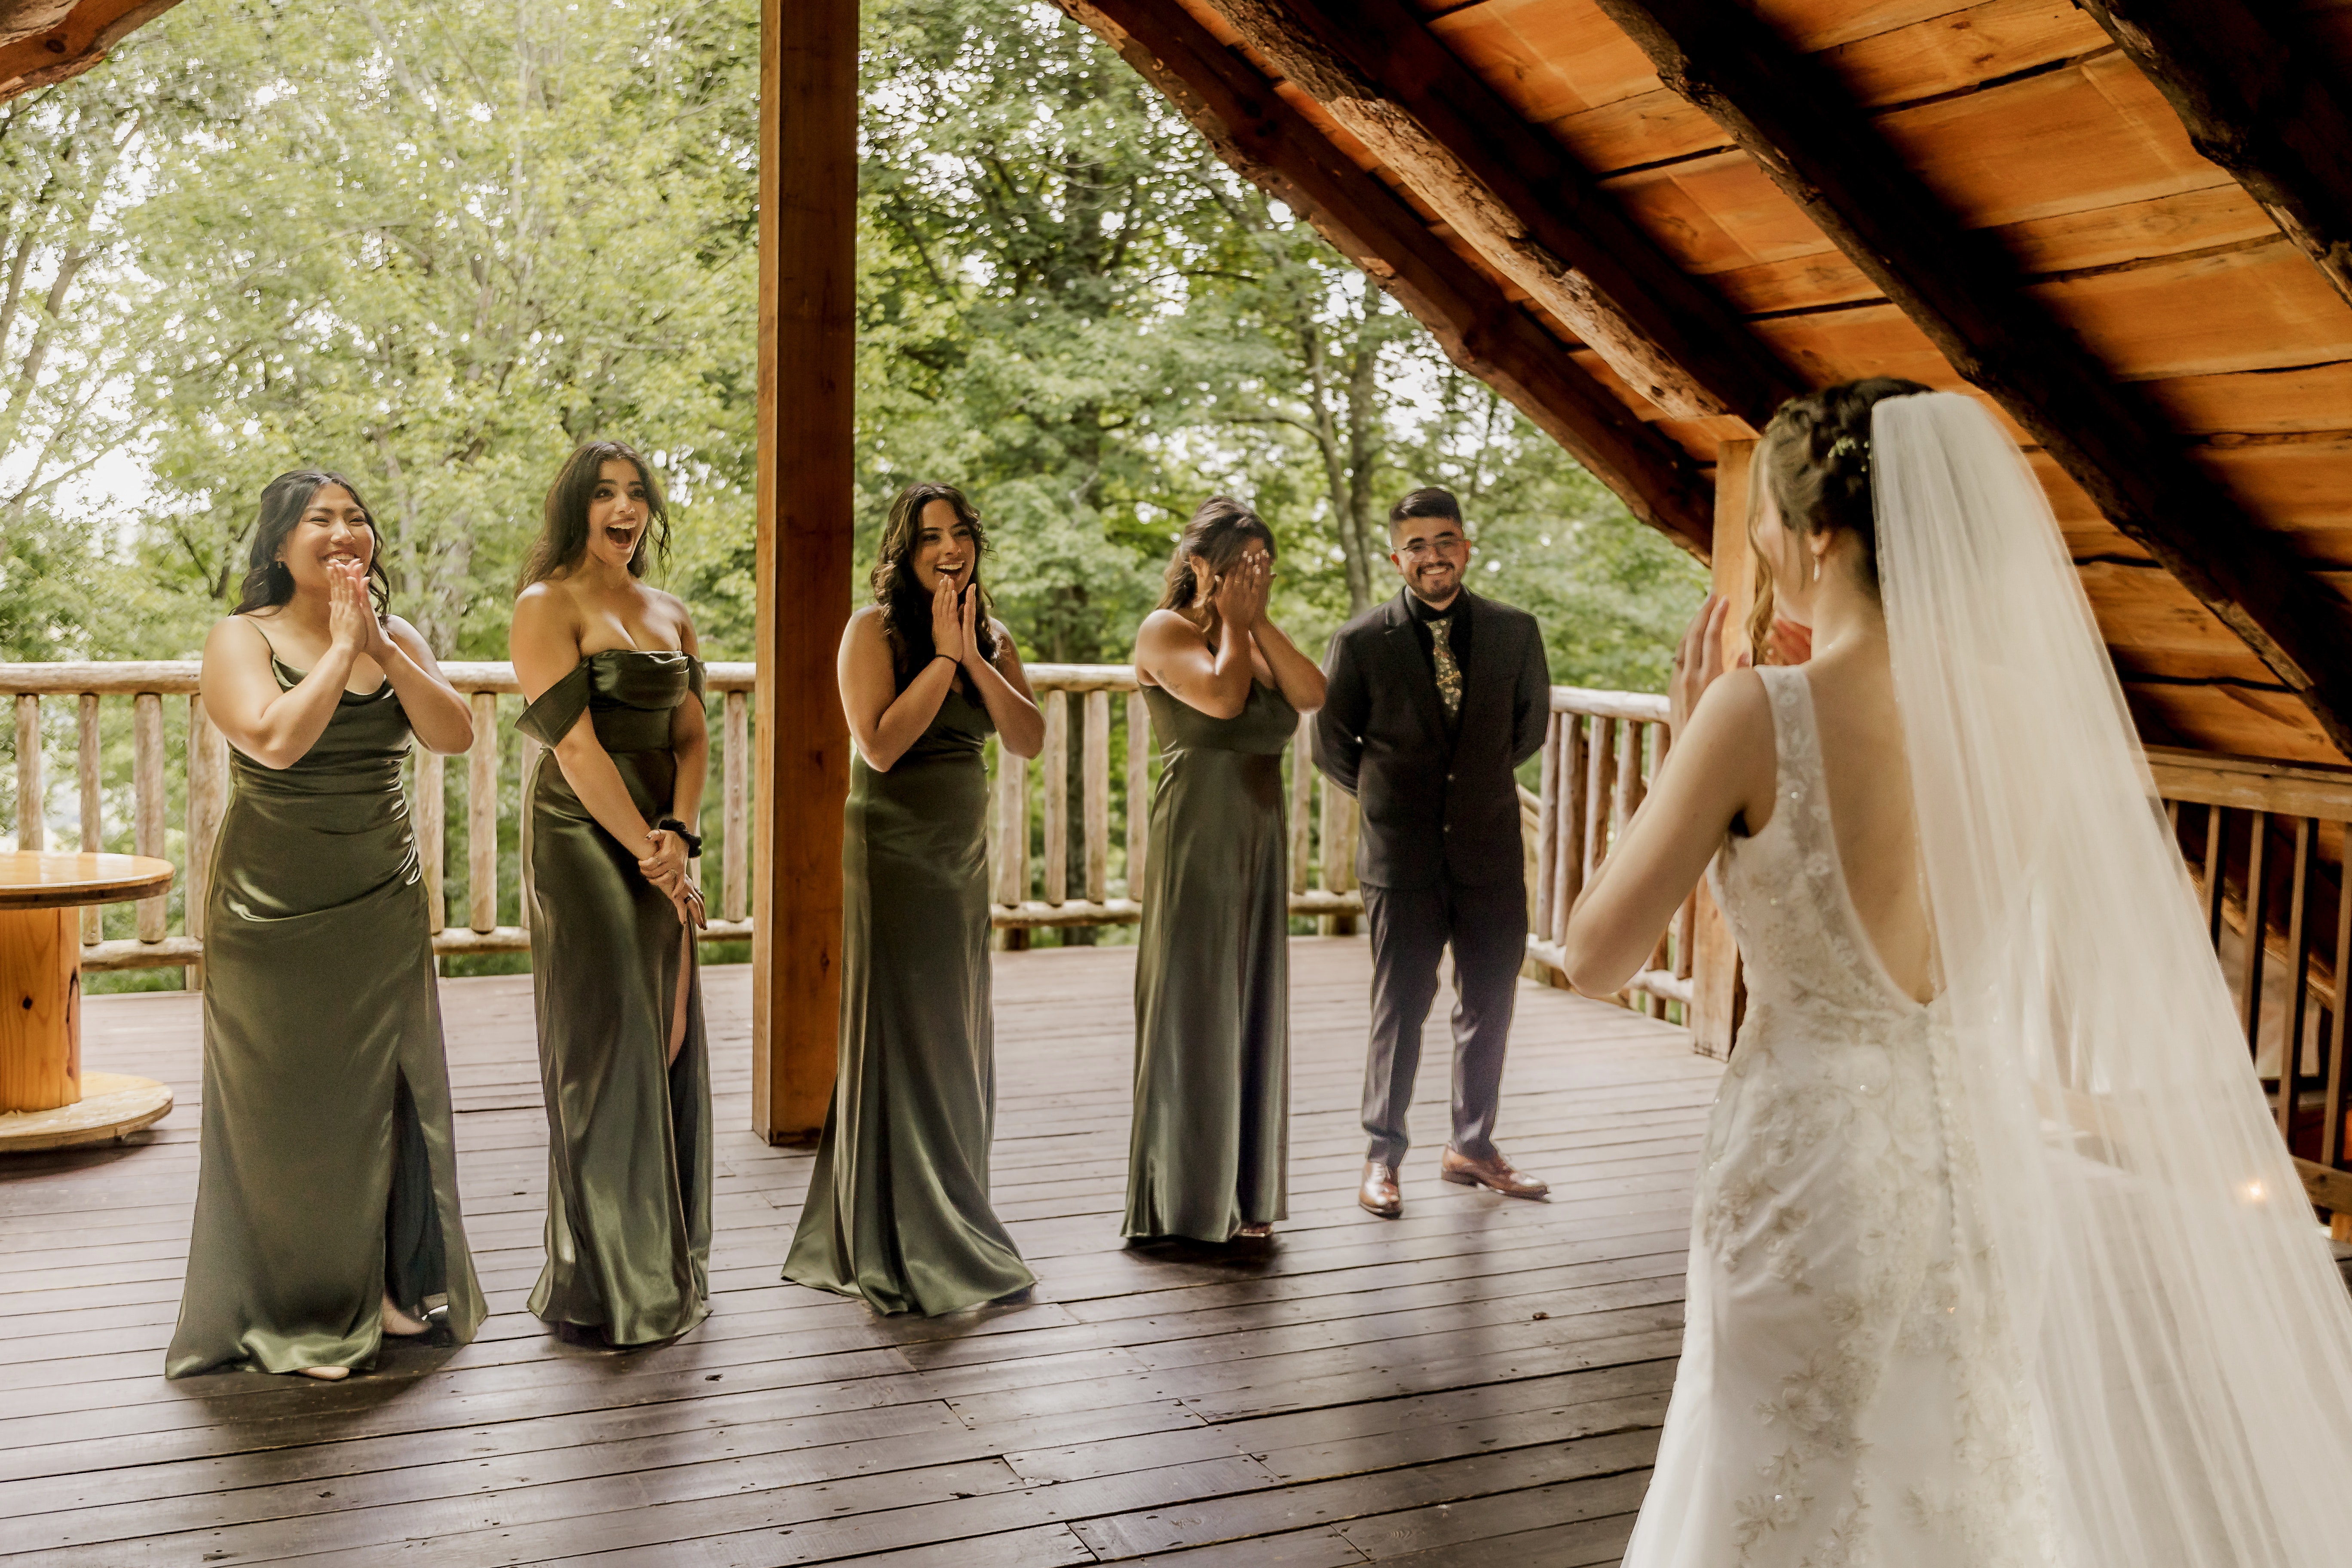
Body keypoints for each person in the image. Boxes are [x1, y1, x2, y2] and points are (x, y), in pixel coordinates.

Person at [1566, 380, 2352, 1566]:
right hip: (1982, 1169)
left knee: (1778, 1474)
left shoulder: (1754, 713)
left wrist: (1690, 750)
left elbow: (1591, 957)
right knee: (1960, 1469)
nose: (1761, 545)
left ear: (1821, 535)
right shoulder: (2023, 722)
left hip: (1810, 1170)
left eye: (1767, 520)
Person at [168, 469, 483, 1381]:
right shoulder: (241, 638)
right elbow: (272, 740)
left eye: (356, 519)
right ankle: (299, 1314)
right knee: (288, 1109)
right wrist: (343, 652)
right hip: (272, 907)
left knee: (380, 1096)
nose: (344, 532)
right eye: (321, 519)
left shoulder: (394, 636)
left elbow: (454, 734)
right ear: (279, 545)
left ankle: (382, 1289)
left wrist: (382, 645)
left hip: (381, 892)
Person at [784, 482, 1044, 1315]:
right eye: (931, 537)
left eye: (960, 532)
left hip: (959, 859)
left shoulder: (992, 637)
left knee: (957, 1033)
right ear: (906, 551)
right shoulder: (872, 631)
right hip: (892, 854)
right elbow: (882, 745)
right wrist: (939, 657)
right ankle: (901, 1233)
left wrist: (973, 658)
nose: (949, 548)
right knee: (907, 1026)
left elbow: (1029, 739)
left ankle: (957, 1210)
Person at [512, 440, 712, 1348]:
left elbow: (693, 736)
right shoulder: (544, 605)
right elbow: (578, 749)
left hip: (659, 834)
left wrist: (681, 835)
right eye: (604, 494)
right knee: (607, 1038)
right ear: (575, 508)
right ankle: (604, 1279)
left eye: (637, 494)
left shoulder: (670, 610)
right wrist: (646, 851)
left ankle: (657, 1252)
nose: (623, 509)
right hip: (582, 835)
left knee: (665, 1031)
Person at [1312, 487, 1553, 1221]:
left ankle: (1472, 1147)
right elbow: (1332, 747)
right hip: (1401, 858)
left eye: (1444, 539)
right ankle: (1382, 1157)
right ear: (1397, 558)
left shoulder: (1516, 633)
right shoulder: (1359, 644)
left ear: (1466, 547)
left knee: (1489, 1003)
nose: (1433, 556)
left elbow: (1528, 730)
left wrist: (1467, 791)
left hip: (1488, 853)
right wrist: (1398, 800)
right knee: (1402, 1009)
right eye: (1416, 545)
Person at [1125, 497, 1326, 1243]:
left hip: (1259, 839)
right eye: (1237, 565)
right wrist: (1236, 624)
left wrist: (1256, 618)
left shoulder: (1255, 630)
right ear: (1196, 565)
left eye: (1261, 566)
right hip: (1199, 835)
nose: (1251, 577)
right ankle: (1184, 1200)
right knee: (1197, 1003)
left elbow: (1311, 694)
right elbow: (1222, 695)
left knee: (1249, 1002)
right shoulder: (1164, 631)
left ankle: (1246, 1198)